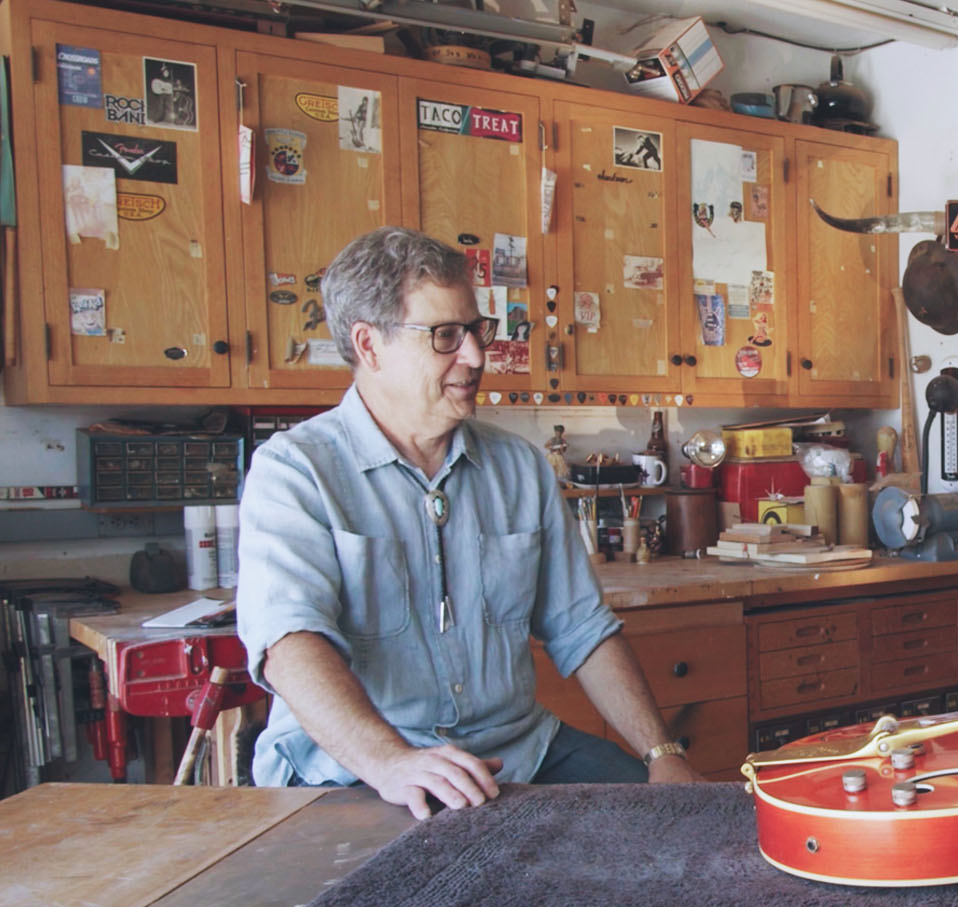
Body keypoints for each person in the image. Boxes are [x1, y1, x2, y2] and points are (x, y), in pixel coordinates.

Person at [238, 226, 700, 817]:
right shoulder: (295, 470)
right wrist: (389, 762)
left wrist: (662, 753)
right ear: (369, 345)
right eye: (445, 336)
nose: (477, 357)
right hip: (354, 769)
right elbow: (289, 644)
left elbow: (582, 629)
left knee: (677, 829)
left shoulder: (519, 467)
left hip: (518, 754)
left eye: (475, 331)